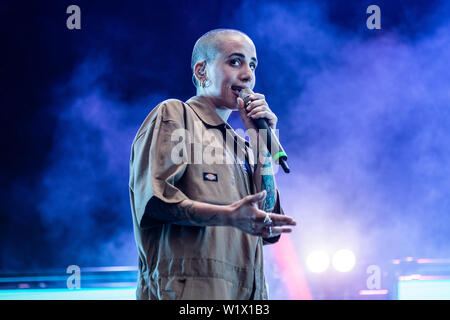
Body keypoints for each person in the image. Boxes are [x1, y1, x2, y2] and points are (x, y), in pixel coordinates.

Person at [129, 28, 296, 300]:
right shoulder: (176, 114)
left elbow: (267, 224)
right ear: (201, 71)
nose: (248, 74)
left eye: (252, 65)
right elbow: (154, 202)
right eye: (235, 61)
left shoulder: (243, 146)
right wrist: (228, 215)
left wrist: (262, 137)